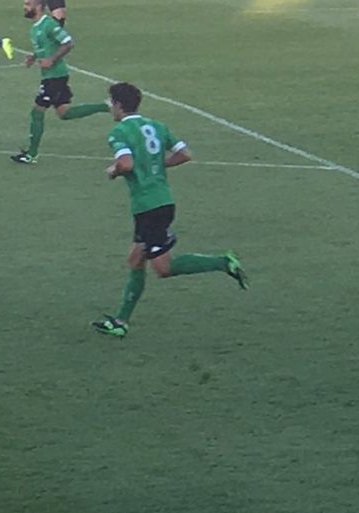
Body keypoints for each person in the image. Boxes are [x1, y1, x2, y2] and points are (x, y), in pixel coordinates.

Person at [90, 82, 248, 338]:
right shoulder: (157, 126)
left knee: (163, 269)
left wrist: (114, 171)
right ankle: (121, 322)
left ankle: (223, 262)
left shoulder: (119, 132)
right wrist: (155, 164)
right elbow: (185, 154)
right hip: (161, 201)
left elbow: (126, 164)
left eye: (111, 103)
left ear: (118, 105)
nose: (110, 107)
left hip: (149, 207)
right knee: (135, 260)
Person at [10, 0, 110, 165]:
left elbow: (68, 42)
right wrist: (34, 57)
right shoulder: (35, 28)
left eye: (27, 4)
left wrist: (52, 59)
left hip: (55, 76)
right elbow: (44, 47)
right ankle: (107, 106)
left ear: (38, 7)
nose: (24, 7)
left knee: (37, 111)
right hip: (53, 76)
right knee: (64, 113)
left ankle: (32, 154)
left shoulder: (49, 24)